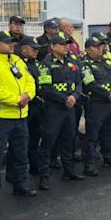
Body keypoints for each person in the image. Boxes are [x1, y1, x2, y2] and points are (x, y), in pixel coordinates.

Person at [0, 31, 37, 207]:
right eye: (6, 42)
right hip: (0, 118)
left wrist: (28, 95)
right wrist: (16, 100)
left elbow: (30, 81)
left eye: (11, 42)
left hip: (20, 117)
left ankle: (19, 184)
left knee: (20, 153)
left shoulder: (17, 60)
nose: (11, 45)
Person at [37, 34, 85, 190]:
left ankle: (69, 170)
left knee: (69, 140)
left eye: (67, 44)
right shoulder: (46, 64)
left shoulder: (72, 63)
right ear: (53, 46)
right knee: (48, 142)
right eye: (62, 44)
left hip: (70, 108)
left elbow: (79, 84)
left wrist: (74, 96)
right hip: (54, 109)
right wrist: (64, 99)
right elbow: (46, 88)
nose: (66, 47)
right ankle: (44, 176)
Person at [80, 36, 111, 175]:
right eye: (96, 46)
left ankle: (108, 157)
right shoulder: (85, 64)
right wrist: (107, 93)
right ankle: (89, 164)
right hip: (95, 103)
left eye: (101, 46)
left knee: (108, 132)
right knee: (92, 135)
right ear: (88, 49)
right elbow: (90, 83)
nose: (100, 48)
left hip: (110, 103)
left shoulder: (108, 61)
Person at [18, 36, 44, 175]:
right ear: (24, 49)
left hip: (38, 107)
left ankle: (34, 166)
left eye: (37, 49)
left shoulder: (37, 63)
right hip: (26, 106)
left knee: (35, 137)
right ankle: (17, 172)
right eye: (33, 49)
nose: (36, 51)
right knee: (22, 140)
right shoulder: (19, 64)